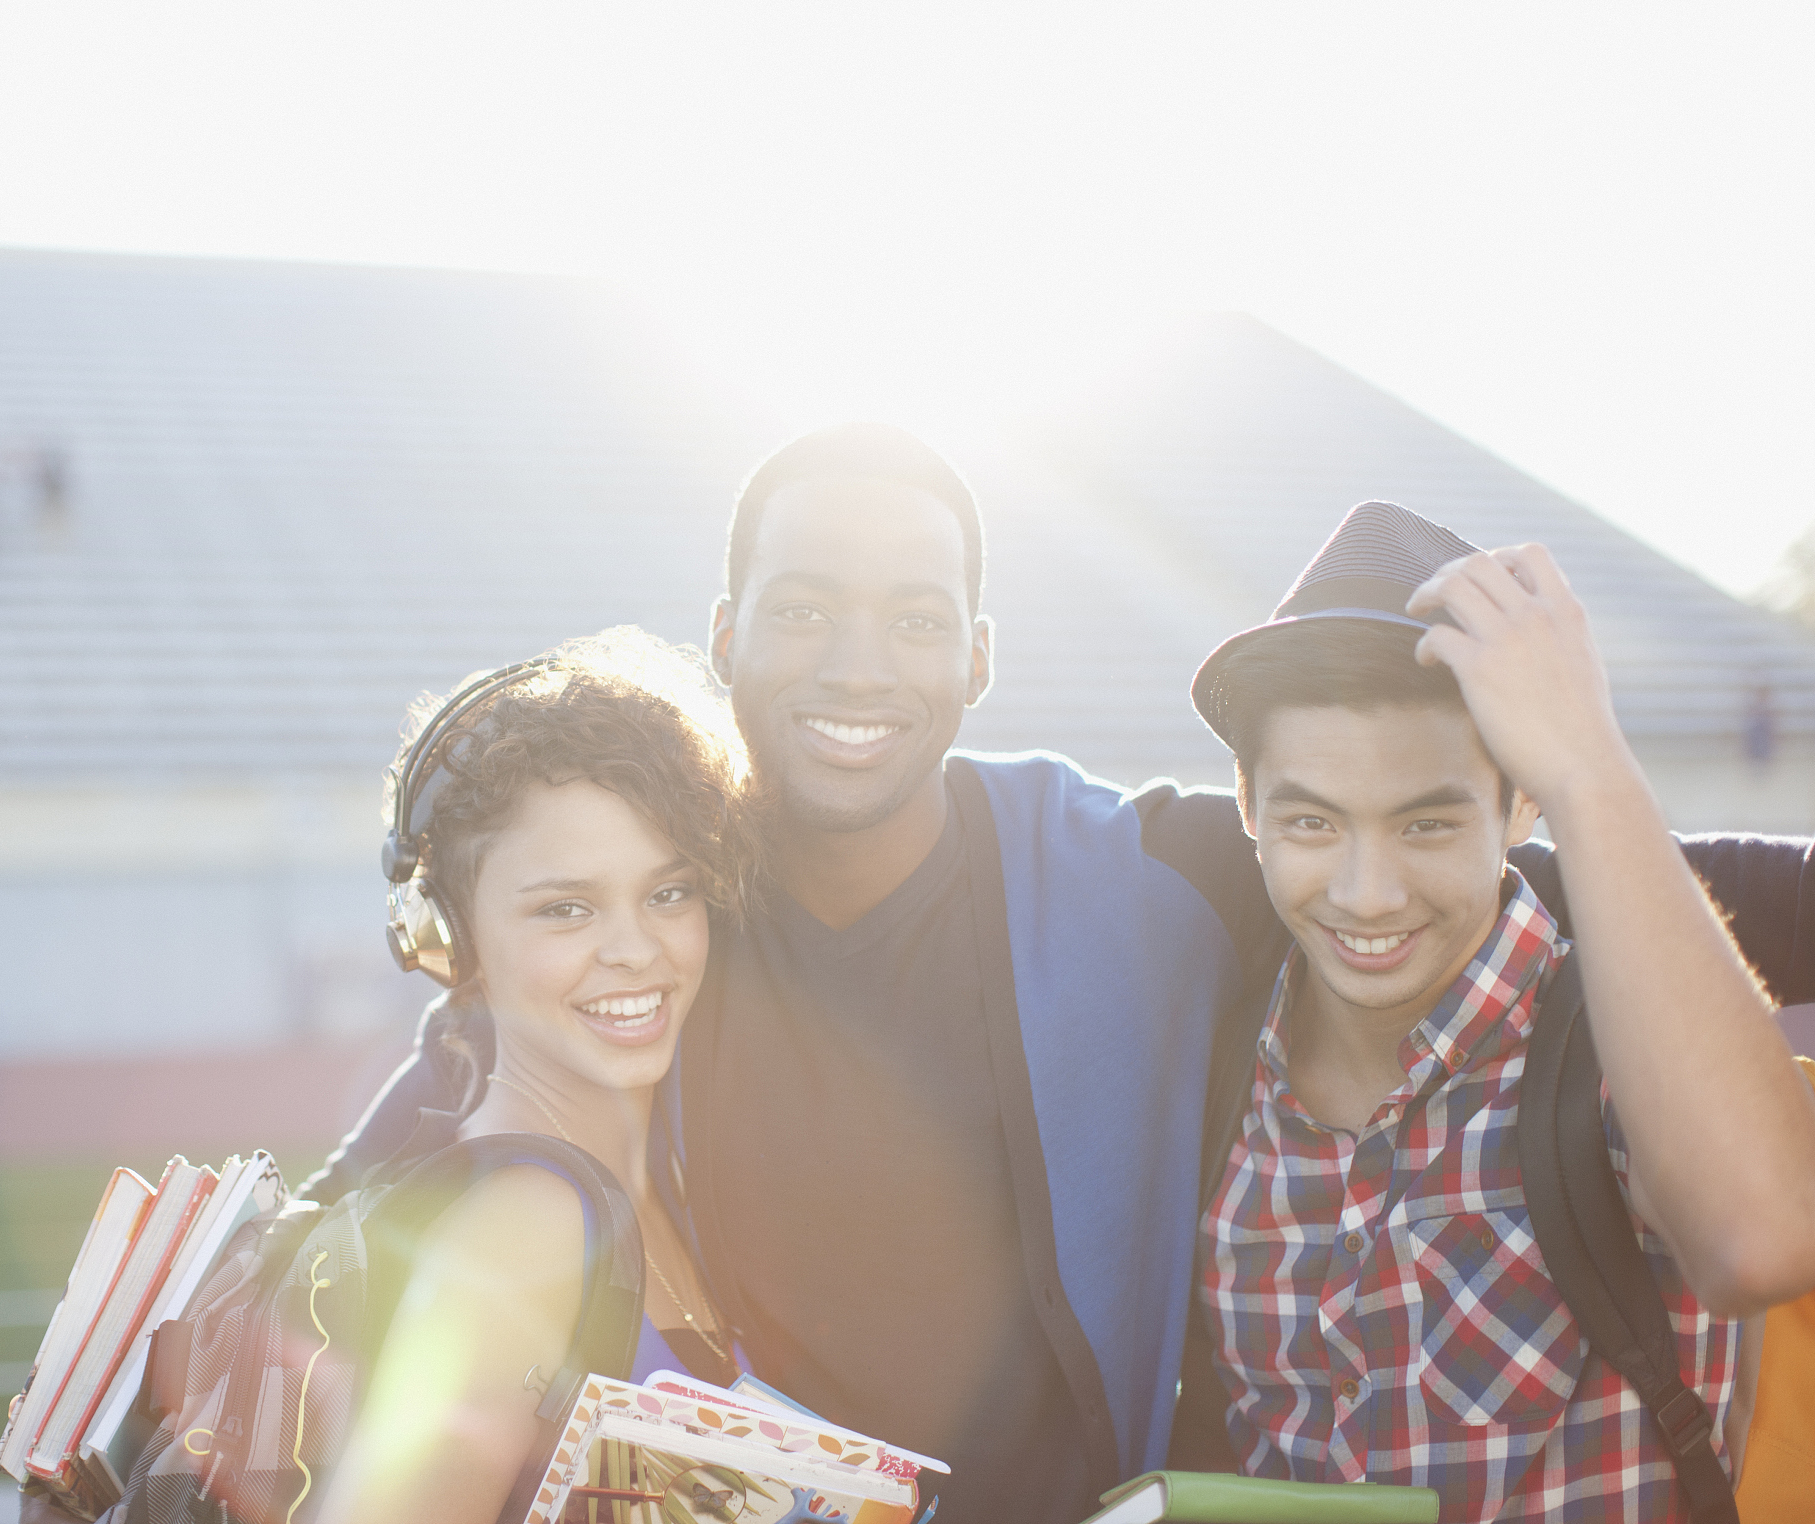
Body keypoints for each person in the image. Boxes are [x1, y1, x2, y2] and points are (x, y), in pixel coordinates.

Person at [313, 429, 1815, 1524]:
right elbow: (478, 1071)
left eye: (915, 617)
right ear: (727, 639)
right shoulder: (668, 906)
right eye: (805, 607)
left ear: (978, 656)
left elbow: (1519, 868)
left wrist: (1587, 767)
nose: (858, 664)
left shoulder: (1145, 875)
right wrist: (284, 1282)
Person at [1186, 503, 1815, 1521]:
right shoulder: (1209, 1070)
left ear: (1520, 807)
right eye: (1310, 821)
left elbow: (1766, 1240)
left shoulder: (1615, 1044)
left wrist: (1585, 761)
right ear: (1248, 809)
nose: (1366, 893)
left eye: (1425, 824)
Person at [315, 628, 760, 1524]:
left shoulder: (652, 1174)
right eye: (567, 909)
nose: (637, 950)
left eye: (668, 893)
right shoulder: (525, 1230)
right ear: (452, 942)